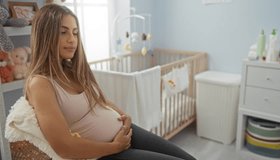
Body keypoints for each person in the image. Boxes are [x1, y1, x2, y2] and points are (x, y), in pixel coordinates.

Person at [25, 4, 196, 160]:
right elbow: (63, 146)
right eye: (63, 32)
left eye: (75, 33)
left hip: (126, 134)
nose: (72, 39)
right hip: (105, 153)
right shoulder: (40, 84)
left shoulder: (71, 69)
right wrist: (114, 147)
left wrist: (124, 115)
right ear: (45, 36)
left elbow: (101, 100)